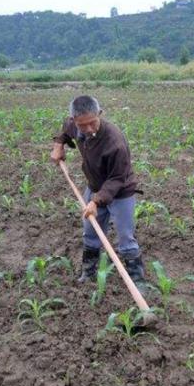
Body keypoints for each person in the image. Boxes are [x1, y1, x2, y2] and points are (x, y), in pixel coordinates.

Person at [50, 95, 147, 291]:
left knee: (126, 237)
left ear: (100, 115)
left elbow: (117, 178)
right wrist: (59, 144)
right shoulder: (75, 125)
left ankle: (137, 282)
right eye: (81, 125)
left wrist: (96, 201)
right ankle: (89, 271)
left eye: (92, 123)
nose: (87, 129)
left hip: (120, 191)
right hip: (95, 187)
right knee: (90, 231)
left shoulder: (114, 142)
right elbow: (66, 128)